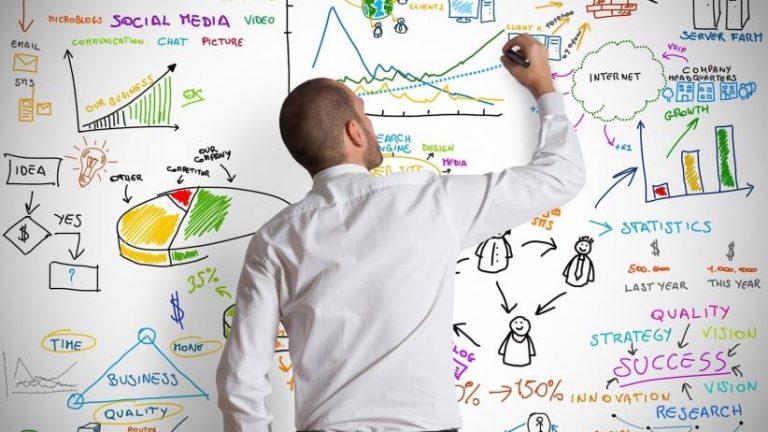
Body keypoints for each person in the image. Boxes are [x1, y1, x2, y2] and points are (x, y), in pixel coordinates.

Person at [216, 33, 586, 432]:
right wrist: (542, 86)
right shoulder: (431, 201)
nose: (370, 124)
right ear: (355, 132)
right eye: (364, 114)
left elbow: (241, 380)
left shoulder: (273, 241)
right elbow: (561, 175)